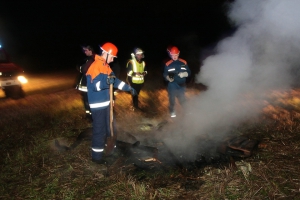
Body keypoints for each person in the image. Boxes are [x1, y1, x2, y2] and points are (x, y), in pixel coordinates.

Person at [86, 42, 136, 164]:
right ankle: (96, 158)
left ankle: (111, 150)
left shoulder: (107, 67)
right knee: (100, 130)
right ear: (106, 53)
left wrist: (129, 88)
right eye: (112, 56)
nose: (113, 59)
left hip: (107, 103)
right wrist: (107, 82)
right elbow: (95, 86)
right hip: (98, 105)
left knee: (111, 128)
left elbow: (116, 82)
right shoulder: (95, 66)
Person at [163, 46, 191, 118]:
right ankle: (172, 111)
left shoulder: (184, 62)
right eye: (173, 55)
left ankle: (186, 112)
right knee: (172, 99)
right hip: (172, 84)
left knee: (182, 99)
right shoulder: (168, 64)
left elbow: (189, 72)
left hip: (182, 85)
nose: (174, 56)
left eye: (176, 55)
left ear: (178, 54)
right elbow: (165, 74)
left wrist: (185, 74)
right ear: (170, 55)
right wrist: (168, 78)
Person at [76, 45, 95, 118]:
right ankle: (88, 114)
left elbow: (83, 69)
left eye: (86, 50)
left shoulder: (93, 59)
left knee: (88, 100)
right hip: (85, 85)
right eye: (84, 50)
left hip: (89, 85)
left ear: (90, 50)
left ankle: (91, 116)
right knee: (86, 100)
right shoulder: (87, 59)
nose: (85, 52)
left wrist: (81, 67)